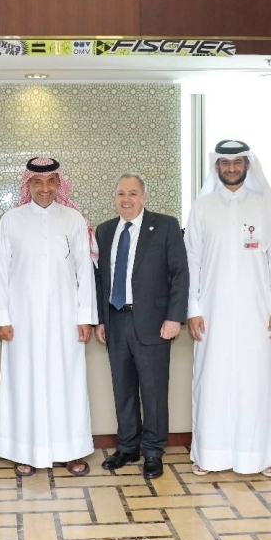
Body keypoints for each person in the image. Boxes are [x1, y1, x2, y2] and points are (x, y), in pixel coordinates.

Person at [185, 140, 271, 477]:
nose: (231, 167)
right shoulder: (202, 207)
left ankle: (261, 454)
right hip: (211, 314)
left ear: (247, 165)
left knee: (256, 381)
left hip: (257, 314)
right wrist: (193, 308)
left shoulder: (264, 206)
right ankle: (209, 455)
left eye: (238, 161)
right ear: (216, 166)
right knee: (211, 382)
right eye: (225, 162)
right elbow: (193, 262)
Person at [0, 157, 97, 477]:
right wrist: (3, 318)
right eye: (38, 182)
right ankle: (24, 451)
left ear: (59, 184)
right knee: (24, 382)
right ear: (28, 184)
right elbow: (0, 272)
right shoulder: (11, 219)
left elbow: (84, 271)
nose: (45, 188)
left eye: (52, 181)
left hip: (65, 320)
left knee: (67, 382)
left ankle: (71, 450)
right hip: (22, 321)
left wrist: (85, 317)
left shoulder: (73, 219)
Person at [94, 173, 188, 480]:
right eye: (121, 193)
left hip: (153, 323)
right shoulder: (106, 231)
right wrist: (100, 320)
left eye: (133, 193)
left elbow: (179, 274)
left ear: (144, 197)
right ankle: (127, 447)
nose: (126, 199)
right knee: (123, 390)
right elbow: (101, 280)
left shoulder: (165, 226)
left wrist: (175, 317)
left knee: (153, 391)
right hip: (116, 320)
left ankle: (152, 452)